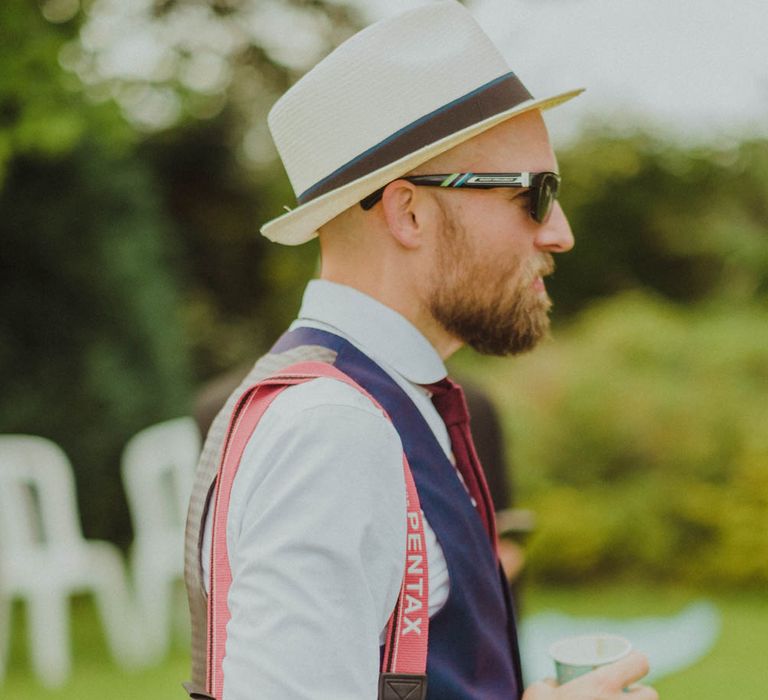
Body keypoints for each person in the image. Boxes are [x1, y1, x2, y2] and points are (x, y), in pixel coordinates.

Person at [183, 3, 658, 699]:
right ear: (409, 212)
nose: (560, 233)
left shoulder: (380, 400)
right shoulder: (332, 430)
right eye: (535, 193)